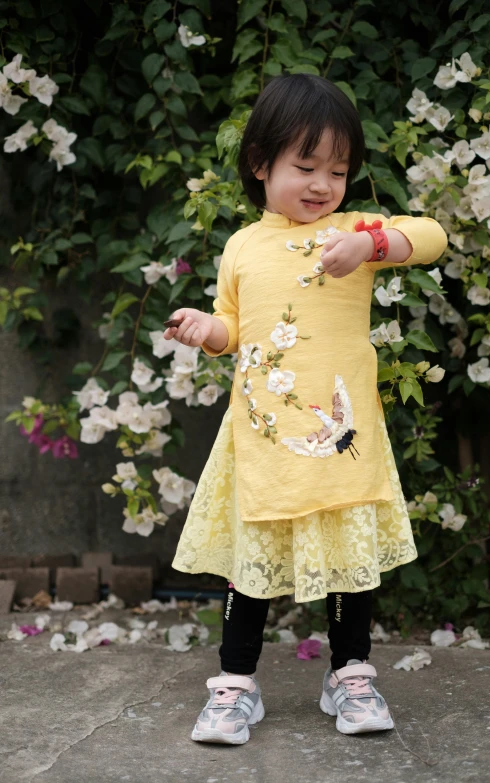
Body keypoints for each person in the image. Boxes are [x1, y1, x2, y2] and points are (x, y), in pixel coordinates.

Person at [164, 73, 448, 745]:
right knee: (255, 560)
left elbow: (431, 234)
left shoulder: (351, 232)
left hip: (341, 437)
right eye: (306, 165)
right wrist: (208, 331)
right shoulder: (241, 246)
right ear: (261, 164)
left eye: (338, 169)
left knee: (349, 559)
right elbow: (235, 325)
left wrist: (371, 244)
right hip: (264, 440)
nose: (322, 183)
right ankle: (235, 685)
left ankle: (350, 672)